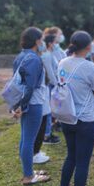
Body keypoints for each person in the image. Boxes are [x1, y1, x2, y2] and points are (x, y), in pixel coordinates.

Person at [56, 31, 94, 186]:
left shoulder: (62, 62)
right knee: (82, 162)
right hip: (86, 120)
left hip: (66, 117)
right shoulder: (90, 67)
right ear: (88, 46)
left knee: (71, 155)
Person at [12, 27, 51, 185]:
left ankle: (28, 171)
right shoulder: (34, 59)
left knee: (25, 138)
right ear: (36, 41)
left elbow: (18, 84)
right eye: (41, 39)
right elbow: (30, 86)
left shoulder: (21, 56)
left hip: (25, 102)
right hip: (33, 104)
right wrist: (23, 105)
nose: (42, 42)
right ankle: (28, 176)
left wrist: (18, 104)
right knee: (29, 140)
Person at [33, 34, 58, 164]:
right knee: (45, 116)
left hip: (46, 87)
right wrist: (57, 83)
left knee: (46, 115)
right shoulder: (45, 55)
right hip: (45, 89)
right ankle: (37, 150)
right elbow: (50, 71)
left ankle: (37, 150)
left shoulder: (44, 55)